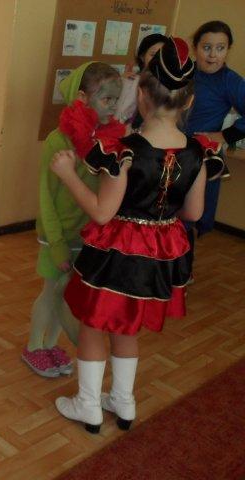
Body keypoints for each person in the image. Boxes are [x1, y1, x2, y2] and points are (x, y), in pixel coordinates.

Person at [51, 37, 224, 433]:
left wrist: (67, 175)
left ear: (142, 95)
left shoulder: (123, 150)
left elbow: (102, 211)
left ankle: (89, 404)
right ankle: (123, 401)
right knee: (127, 326)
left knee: (94, 325)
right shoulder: (198, 152)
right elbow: (194, 213)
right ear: (189, 101)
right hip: (158, 256)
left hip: (115, 254)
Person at [22, 62, 125, 378]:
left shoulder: (106, 142)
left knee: (65, 293)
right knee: (51, 291)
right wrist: (55, 243)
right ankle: (34, 346)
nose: (113, 107)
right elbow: (45, 195)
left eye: (116, 99)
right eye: (106, 99)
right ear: (82, 98)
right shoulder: (58, 140)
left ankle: (51, 344)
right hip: (58, 233)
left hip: (86, 234)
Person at [185, 20, 242, 252]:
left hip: (201, 157)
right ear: (195, 47)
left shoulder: (230, 81)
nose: (213, 55)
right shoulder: (184, 72)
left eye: (220, 48)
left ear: (228, 50)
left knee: (190, 217)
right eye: (206, 47)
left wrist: (224, 135)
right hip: (173, 150)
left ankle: (181, 268)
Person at [116, 33, 167, 127]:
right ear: (142, 57)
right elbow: (118, 117)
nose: (158, 60)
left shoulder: (169, 86)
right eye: (153, 55)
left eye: (163, 55)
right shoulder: (131, 81)